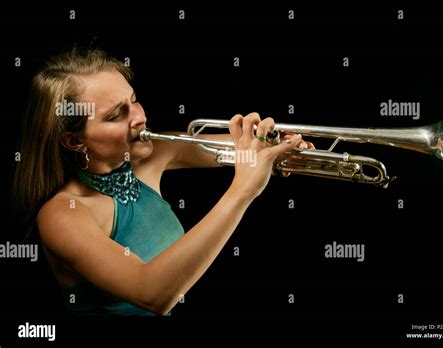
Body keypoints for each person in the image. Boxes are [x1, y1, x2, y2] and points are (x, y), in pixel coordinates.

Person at [12, 48, 313, 316]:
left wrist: (282, 148)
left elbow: (250, 151)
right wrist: (242, 191)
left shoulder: (152, 154)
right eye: (117, 114)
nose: (140, 117)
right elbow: (152, 294)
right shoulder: (62, 215)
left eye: (134, 100)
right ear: (74, 140)